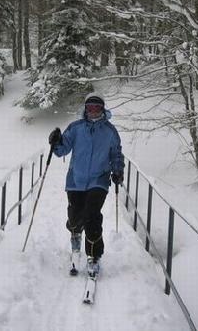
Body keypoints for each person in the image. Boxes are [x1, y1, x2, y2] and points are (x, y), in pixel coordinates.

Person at [48, 93, 124, 277]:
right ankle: (75, 234)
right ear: (85, 109)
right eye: (90, 108)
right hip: (76, 180)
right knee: (75, 216)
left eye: (97, 108)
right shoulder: (75, 128)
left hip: (99, 180)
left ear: (103, 109)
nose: (93, 111)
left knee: (92, 215)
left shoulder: (110, 131)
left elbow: (116, 154)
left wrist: (118, 170)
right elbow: (62, 150)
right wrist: (55, 142)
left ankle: (94, 254)